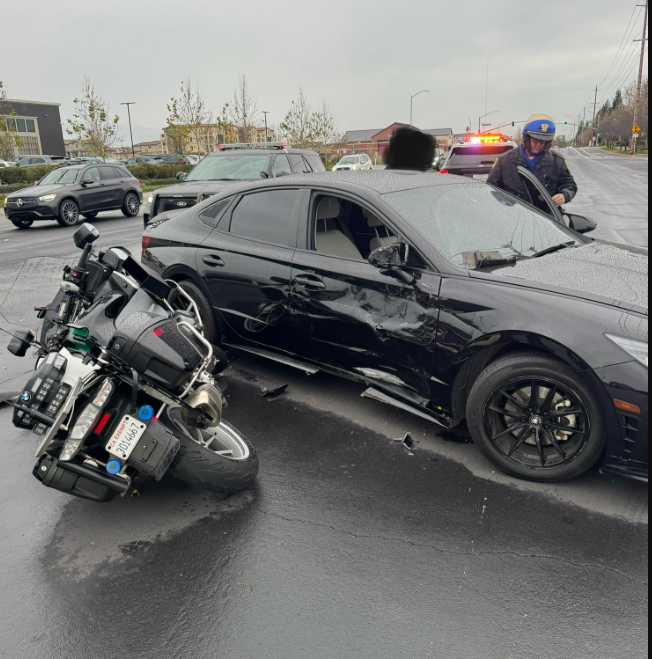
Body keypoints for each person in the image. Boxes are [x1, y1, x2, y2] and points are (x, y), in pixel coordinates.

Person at [487, 114, 578, 209]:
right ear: (527, 138)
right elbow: (491, 189)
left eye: (543, 142)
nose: (539, 145)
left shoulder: (557, 161)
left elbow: (569, 185)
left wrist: (564, 195)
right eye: (535, 141)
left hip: (546, 217)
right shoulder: (505, 161)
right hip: (512, 215)